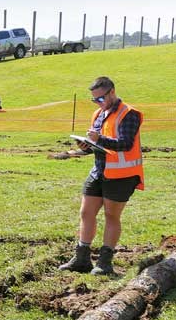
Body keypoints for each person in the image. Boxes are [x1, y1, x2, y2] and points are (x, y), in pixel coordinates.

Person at [59, 76, 143, 275]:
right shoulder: (98, 114)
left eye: (100, 98)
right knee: (86, 212)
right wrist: (85, 145)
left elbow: (125, 143)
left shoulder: (128, 114)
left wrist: (100, 139)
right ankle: (81, 258)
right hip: (99, 171)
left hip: (121, 175)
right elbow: (96, 145)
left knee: (111, 216)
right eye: (94, 99)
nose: (98, 103)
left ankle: (105, 263)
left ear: (112, 92)